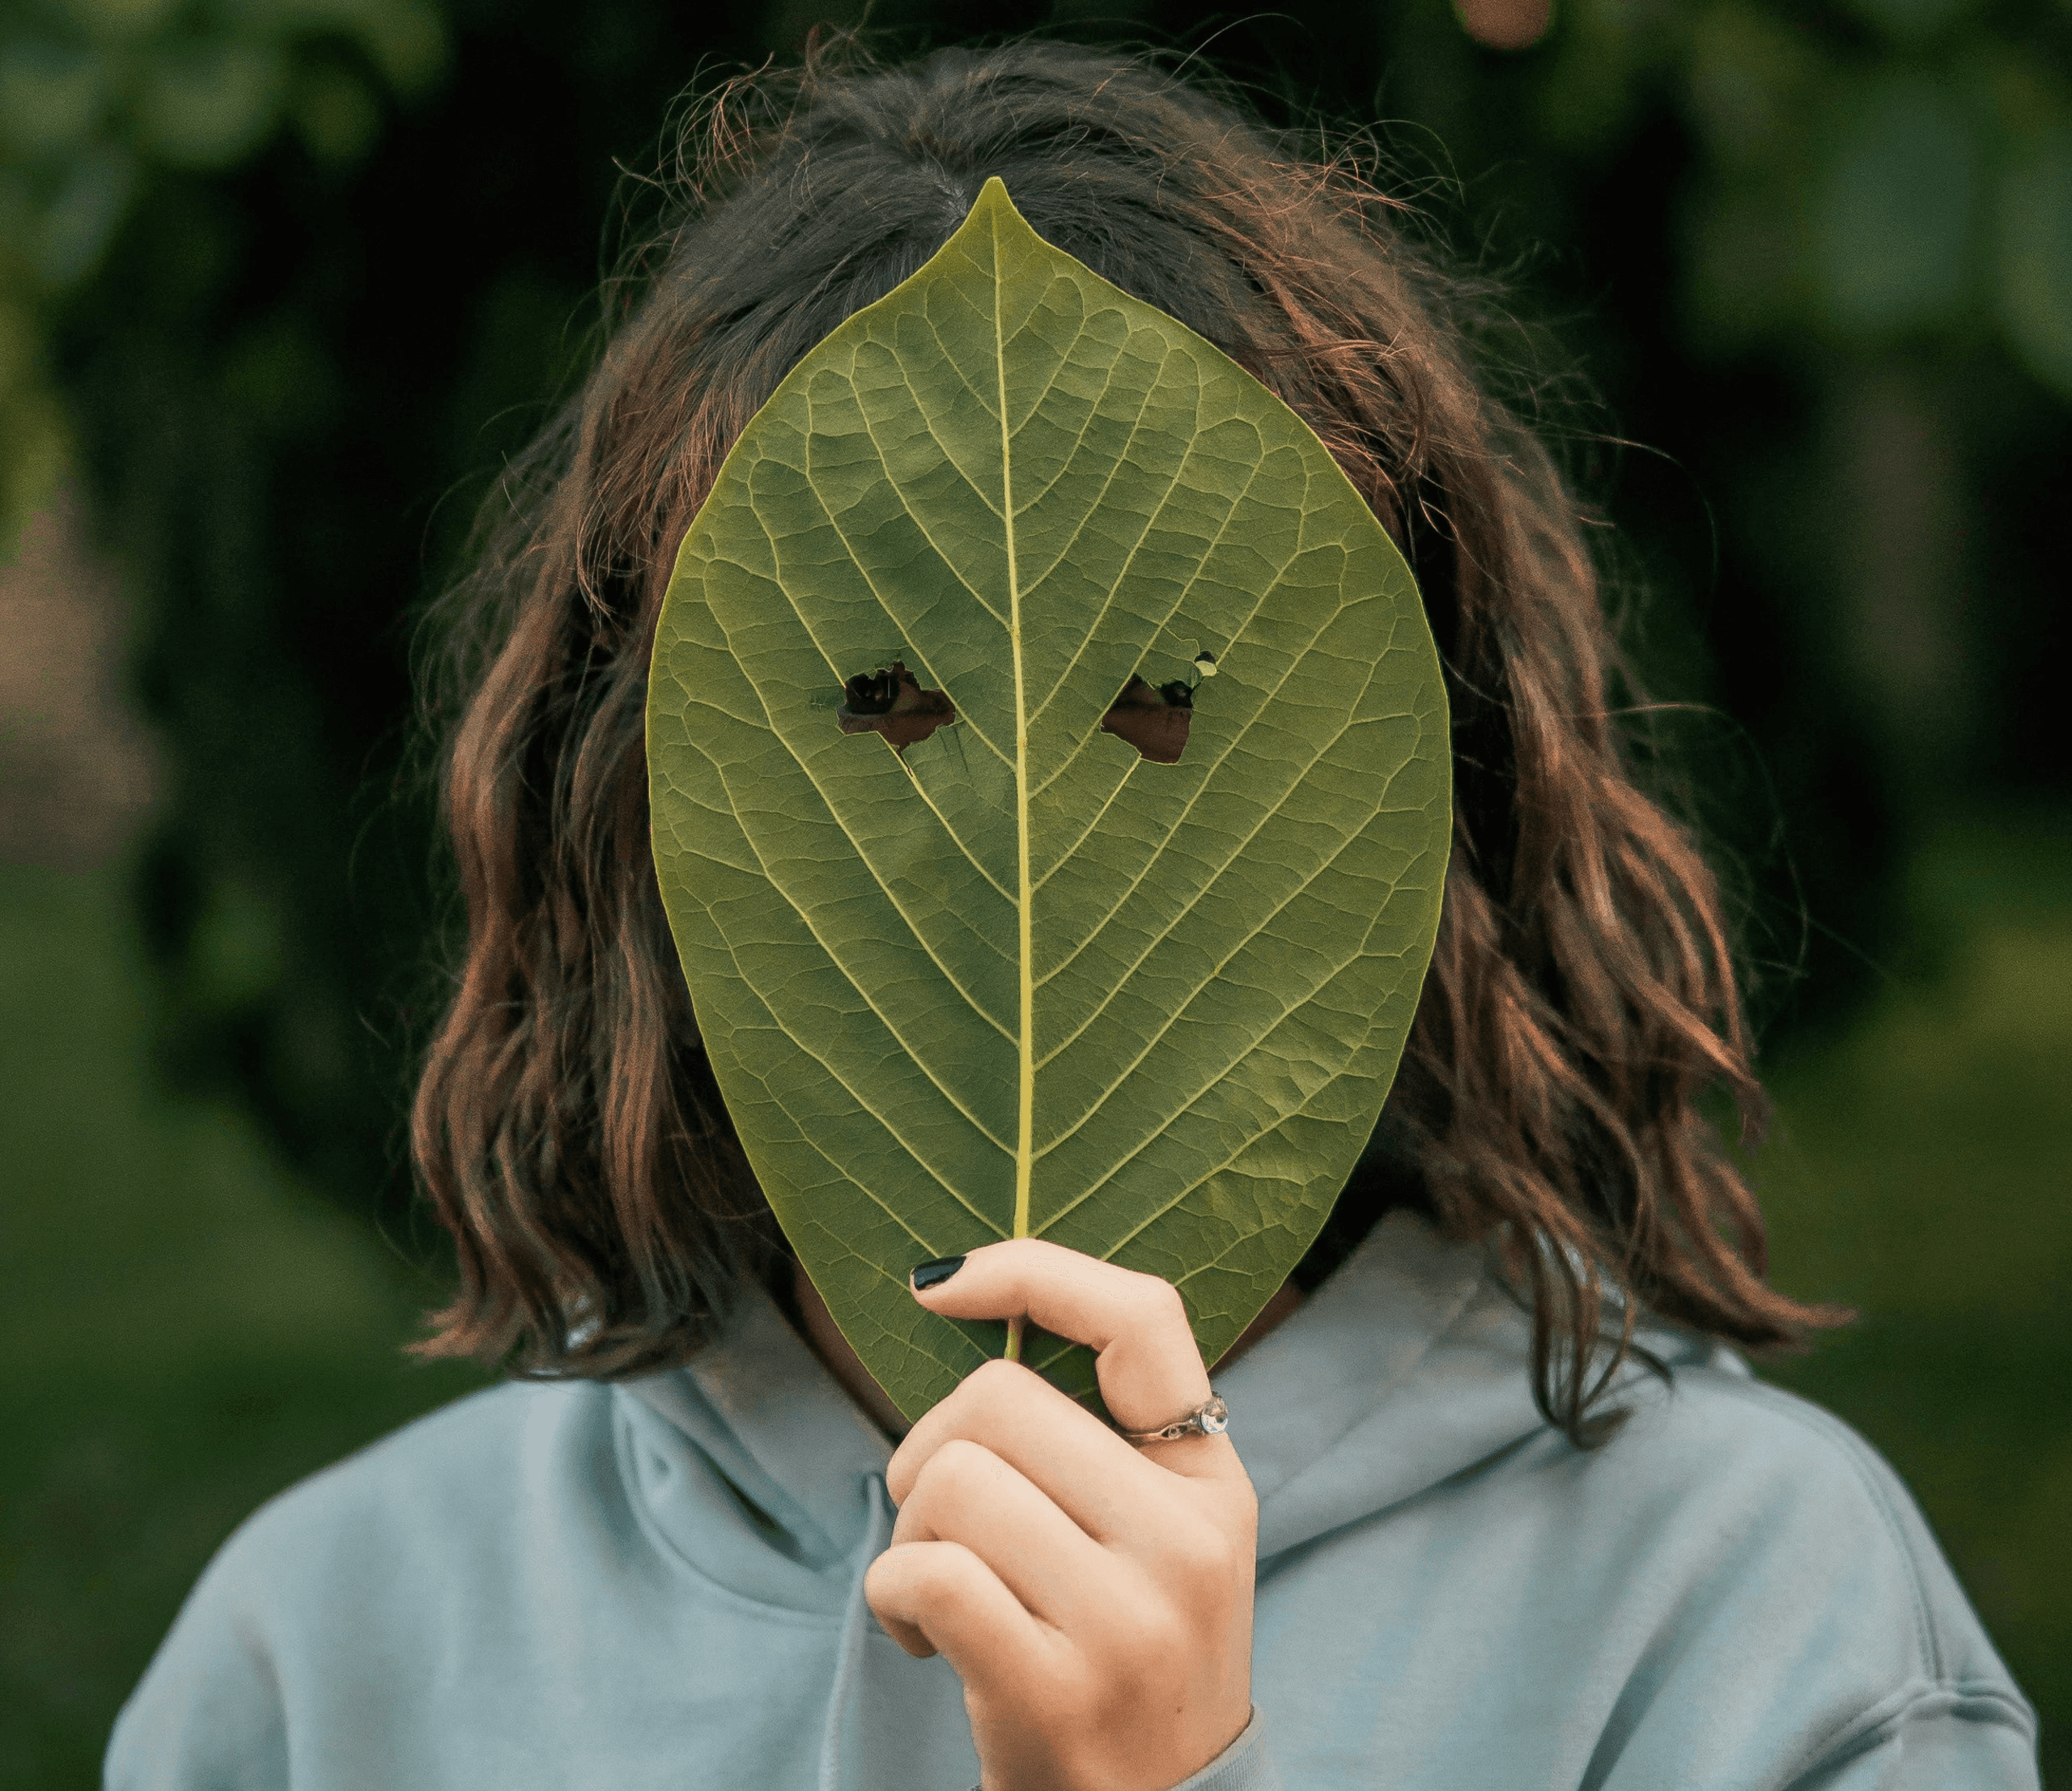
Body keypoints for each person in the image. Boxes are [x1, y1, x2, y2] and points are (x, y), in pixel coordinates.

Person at [105, 39, 2040, 1791]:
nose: (1012, 829)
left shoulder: (1748, 1619)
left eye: (1171, 706)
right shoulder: (334, 1652)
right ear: (631, 800)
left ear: (1411, 781)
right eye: (872, 701)